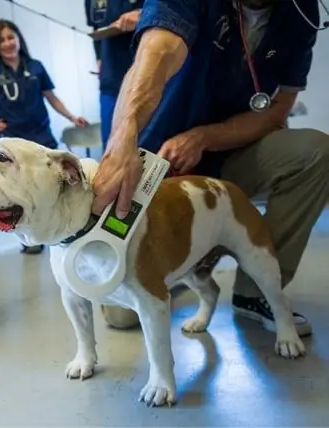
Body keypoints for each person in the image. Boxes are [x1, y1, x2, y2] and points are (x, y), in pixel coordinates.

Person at [91, 0, 329, 336]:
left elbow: (277, 109)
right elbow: (158, 51)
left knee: (316, 153)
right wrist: (123, 138)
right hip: (159, 156)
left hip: (231, 153)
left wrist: (204, 138)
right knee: (121, 316)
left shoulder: (301, 10)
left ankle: (255, 292)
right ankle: (185, 263)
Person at [0, 19, 89, 255]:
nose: (7, 43)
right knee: (18, 194)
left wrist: (72, 117)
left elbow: (52, 98)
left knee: (53, 187)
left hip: (41, 138)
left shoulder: (36, 67)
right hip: (10, 148)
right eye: (1, 40)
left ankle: (61, 232)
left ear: (19, 38)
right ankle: (29, 237)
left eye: (11, 37)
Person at [85, 0, 143, 148]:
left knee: (149, 146)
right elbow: (96, 26)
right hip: (110, 80)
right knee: (112, 145)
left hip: (146, 76)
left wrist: (143, 15)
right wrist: (99, 58)